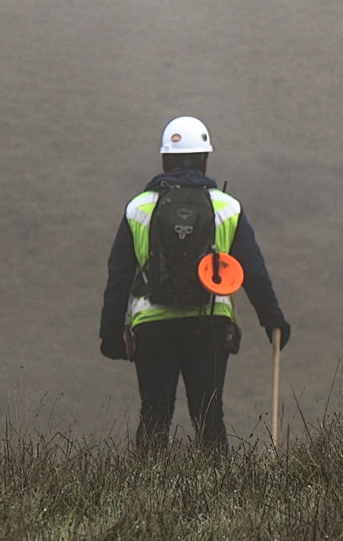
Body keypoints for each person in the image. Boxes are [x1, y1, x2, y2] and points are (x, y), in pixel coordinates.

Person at [98, 115, 291, 454]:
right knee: (209, 416)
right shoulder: (226, 207)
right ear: (205, 160)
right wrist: (272, 320)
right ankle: (216, 497)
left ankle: (145, 496)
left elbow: (119, 277)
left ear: (163, 160)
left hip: (152, 326)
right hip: (210, 324)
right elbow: (254, 272)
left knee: (154, 416)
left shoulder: (138, 208)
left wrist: (111, 334)